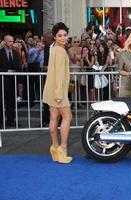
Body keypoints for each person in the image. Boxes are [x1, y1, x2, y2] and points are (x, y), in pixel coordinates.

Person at [42, 22, 72, 164]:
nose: (63, 38)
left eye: (65, 35)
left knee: (54, 118)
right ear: (54, 37)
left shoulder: (54, 50)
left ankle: (54, 147)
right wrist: (60, 94)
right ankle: (62, 148)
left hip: (51, 90)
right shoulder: (60, 51)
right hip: (58, 92)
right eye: (59, 36)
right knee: (67, 117)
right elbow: (59, 75)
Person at [0, 34, 22, 127]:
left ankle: (10, 120)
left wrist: (20, 82)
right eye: (9, 41)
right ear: (4, 42)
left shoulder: (16, 53)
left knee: (11, 102)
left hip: (13, 81)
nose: (11, 43)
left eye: (12, 41)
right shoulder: (0, 53)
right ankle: (1, 121)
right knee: (1, 101)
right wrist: (6, 71)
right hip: (2, 81)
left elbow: (19, 67)